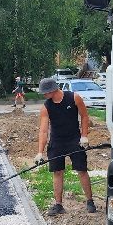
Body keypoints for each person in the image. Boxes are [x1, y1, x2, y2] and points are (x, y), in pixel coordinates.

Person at [35, 77, 96, 217]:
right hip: (57, 142)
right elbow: (43, 131)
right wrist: (40, 152)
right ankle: (58, 205)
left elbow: (85, 117)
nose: (44, 95)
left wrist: (84, 136)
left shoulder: (74, 97)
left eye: (45, 92)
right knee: (57, 172)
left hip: (75, 140)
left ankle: (90, 201)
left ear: (52, 90)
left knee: (81, 170)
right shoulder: (46, 107)